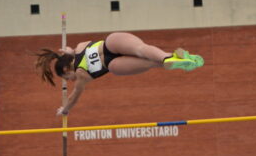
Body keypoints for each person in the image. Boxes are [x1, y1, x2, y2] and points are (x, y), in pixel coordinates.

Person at [35, 32, 204, 115]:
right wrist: (69, 51)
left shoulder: (81, 76)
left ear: (67, 70)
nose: (70, 81)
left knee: (150, 63)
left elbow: (73, 98)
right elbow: (73, 52)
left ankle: (166, 62)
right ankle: (168, 57)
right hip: (111, 43)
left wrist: (64, 110)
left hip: (112, 65)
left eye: (67, 78)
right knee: (142, 49)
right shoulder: (80, 46)